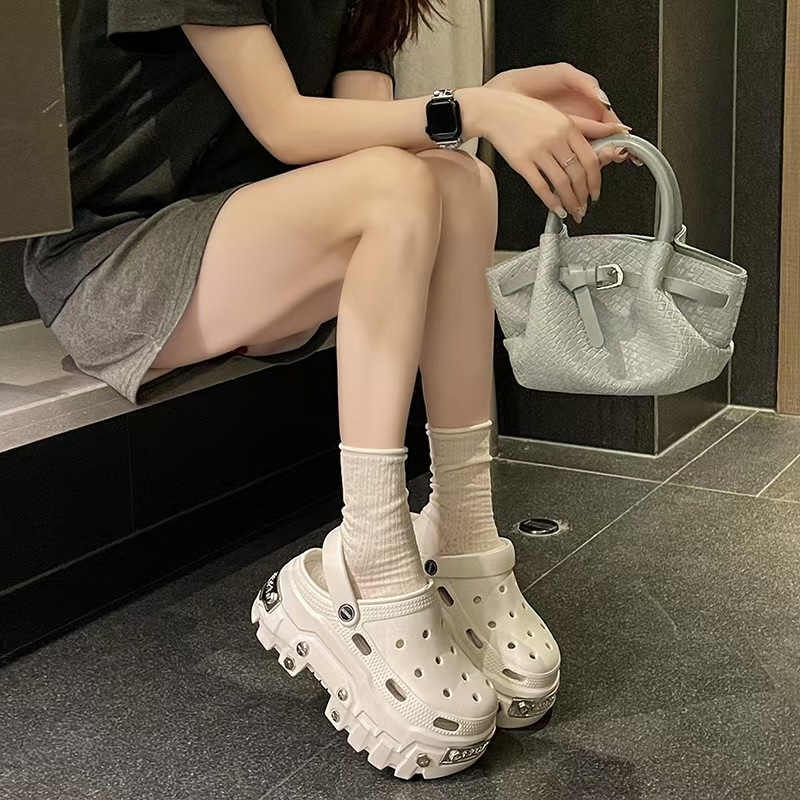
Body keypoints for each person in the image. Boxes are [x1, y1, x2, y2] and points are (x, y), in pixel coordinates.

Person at [26, 0, 631, 779]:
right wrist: (473, 108)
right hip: (112, 263)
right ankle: (371, 556)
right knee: (395, 187)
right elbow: (286, 125)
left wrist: (489, 106)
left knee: (462, 183)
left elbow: (365, 140)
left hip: (256, 246)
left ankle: (465, 536)